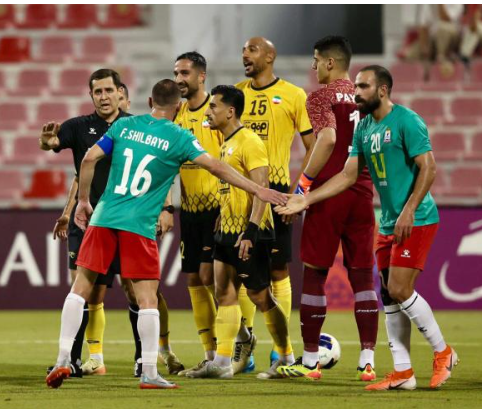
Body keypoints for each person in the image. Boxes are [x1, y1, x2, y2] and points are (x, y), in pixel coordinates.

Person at [46, 79, 286, 390]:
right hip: (138, 225)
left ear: (149, 101)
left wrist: (82, 202)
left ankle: (64, 357)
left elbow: (89, 159)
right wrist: (257, 189)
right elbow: (216, 167)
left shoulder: (125, 126)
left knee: (80, 289)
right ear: (180, 106)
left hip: (103, 217)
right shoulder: (180, 136)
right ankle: (148, 372)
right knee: (147, 299)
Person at [275, 65, 458, 391]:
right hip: (387, 220)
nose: (356, 92)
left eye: (363, 87)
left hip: (415, 218)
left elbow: (428, 167)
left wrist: (409, 211)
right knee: (388, 294)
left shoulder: (407, 120)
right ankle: (403, 371)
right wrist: (306, 198)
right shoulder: (363, 130)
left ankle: (443, 351)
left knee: (400, 289)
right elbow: (347, 176)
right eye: (356, 86)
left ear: (383, 90)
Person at [40, 69, 182, 378]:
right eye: (97, 92)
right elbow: (76, 167)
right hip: (91, 218)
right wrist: (49, 143)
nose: (103, 96)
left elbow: (161, 169)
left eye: (108, 90)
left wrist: (167, 207)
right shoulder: (79, 127)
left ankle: (138, 359)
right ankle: (75, 360)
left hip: (126, 217)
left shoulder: (133, 126)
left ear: (121, 94)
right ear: (91, 95)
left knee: (134, 292)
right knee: (90, 290)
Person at [277, 36, 378, 382]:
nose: (313, 66)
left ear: (330, 63)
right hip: (362, 192)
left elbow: (329, 139)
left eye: (316, 60)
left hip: (328, 193)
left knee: (315, 273)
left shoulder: (320, 96)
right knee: (363, 274)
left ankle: (308, 361)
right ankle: (368, 360)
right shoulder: (366, 98)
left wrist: (303, 186)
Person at [186, 85, 294, 380]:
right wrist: (224, 216)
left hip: (251, 232)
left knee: (261, 297)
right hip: (227, 229)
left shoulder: (250, 141)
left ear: (230, 111)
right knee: (223, 292)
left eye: (213, 107)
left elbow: (261, 190)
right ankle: (222, 362)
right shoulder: (226, 142)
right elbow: (231, 187)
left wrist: (250, 232)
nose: (208, 111)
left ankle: (286, 356)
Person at [235, 37, 314, 371]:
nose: (244, 55)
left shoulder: (295, 96)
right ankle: (245, 345)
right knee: (243, 266)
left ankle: (283, 349)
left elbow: (312, 146)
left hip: (279, 188)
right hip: (241, 190)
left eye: (251, 50)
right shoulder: (235, 93)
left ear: (270, 56)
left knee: (279, 268)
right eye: (243, 51)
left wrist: (300, 191)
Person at [173, 52, 223, 376]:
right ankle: (210, 353)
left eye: (185, 73)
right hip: (189, 210)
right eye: (176, 73)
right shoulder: (176, 115)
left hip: (217, 209)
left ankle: (235, 343)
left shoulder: (216, 113)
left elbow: (231, 158)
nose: (179, 79)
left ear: (201, 76)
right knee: (193, 277)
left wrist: (231, 204)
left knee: (211, 277)